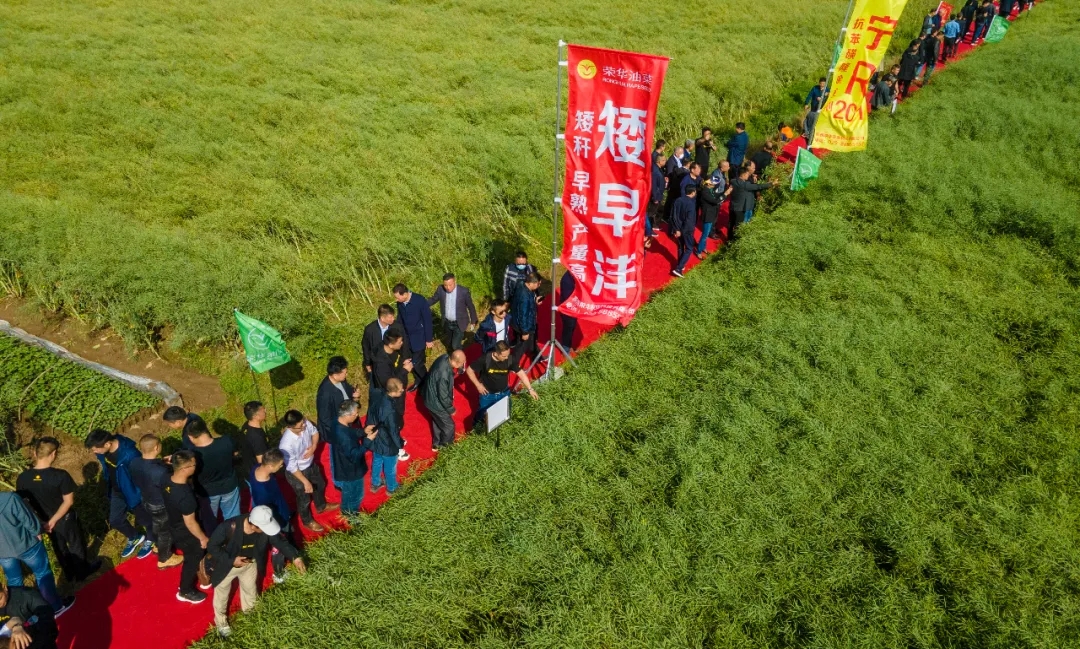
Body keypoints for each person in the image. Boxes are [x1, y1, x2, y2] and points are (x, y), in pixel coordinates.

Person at [206, 506, 305, 638]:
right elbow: (212, 546)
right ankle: (221, 623)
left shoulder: (263, 528)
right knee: (221, 597)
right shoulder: (228, 526)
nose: (266, 531)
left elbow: (279, 541)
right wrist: (231, 560)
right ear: (253, 525)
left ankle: (251, 616)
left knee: (251, 591)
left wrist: (295, 558)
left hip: (250, 564)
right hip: (227, 567)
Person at [16, 438, 101, 582]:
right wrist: (53, 520)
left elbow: (23, 503)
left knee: (58, 546)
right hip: (64, 518)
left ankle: (69, 573)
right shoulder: (60, 475)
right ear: (53, 454)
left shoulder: (23, 478)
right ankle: (82, 572)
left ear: (35, 453)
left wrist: (40, 522)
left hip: (43, 521)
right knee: (75, 543)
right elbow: (68, 501)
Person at [83, 429, 152, 560]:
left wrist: (143, 493)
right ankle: (134, 536)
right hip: (117, 490)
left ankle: (152, 539)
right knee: (115, 520)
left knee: (145, 519)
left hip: (133, 491)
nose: (94, 452)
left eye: (95, 449)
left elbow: (143, 473)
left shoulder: (130, 454)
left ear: (107, 444)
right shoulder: (103, 452)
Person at [0, 493, 71, 617]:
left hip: (3, 552)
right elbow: (27, 519)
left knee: (14, 581)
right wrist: (37, 531)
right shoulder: (10, 498)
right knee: (42, 574)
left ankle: (23, 613)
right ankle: (54, 607)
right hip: (26, 544)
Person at [248, 450, 305, 583]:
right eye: (280, 465)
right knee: (278, 544)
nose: (282, 466)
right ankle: (279, 572)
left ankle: (293, 551)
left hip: (281, 511)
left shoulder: (257, 468)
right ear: (270, 466)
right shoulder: (263, 492)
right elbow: (269, 516)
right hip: (277, 517)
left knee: (288, 534)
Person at [128, 435, 183, 569]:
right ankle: (165, 558)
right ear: (157, 447)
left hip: (146, 500)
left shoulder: (134, 463)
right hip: (160, 503)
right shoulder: (160, 471)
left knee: (157, 525)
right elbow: (169, 487)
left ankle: (158, 546)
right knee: (165, 531)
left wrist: (160, 462)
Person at [162, 450, 209, 604]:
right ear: (184, 469)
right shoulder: (185, 496)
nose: (196, 467)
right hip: (186, 532)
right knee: (193, 558)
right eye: (193, 465)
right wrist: (202, 538)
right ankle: (185, 590)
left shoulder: (166, 478)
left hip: (174, 525)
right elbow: (190, 522)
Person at [277, 410, 336, 530]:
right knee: (304, 498)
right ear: (290, 427)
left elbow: (315, 433)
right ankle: (307, 521)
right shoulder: (286, 445)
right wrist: (305, 482)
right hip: (297, 473)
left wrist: (313, 446)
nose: (304, 425)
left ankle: (321, 505)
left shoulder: (304, 422)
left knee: (320, 484)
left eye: (303, 422)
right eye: (300, 426)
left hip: (310, 464)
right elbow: (292, 467)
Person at [466, 341, 538, 423]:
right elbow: (469, 370)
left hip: (504, 393)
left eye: (508, 355)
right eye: (504, 356)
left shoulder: (510, 359)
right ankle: (477, 425)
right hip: (487, 395)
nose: (507, 358)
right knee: (482, 416)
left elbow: (521, 373)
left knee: (505, 414)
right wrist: (478, 385)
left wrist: (530, 389)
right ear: (496, 354)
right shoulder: (485, 359)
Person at [327, 400, 378, 513]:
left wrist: (363, 431)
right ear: (347, 415)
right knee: (356, 495)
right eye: (355, 414)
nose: (357, 415)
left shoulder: (337, 421)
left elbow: (350, 432)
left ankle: (346, 510)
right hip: (351, 471)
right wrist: (368, 441)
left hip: (343, 466)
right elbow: (355, 455)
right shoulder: (344, 436)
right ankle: (351, 515)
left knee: (348, 493)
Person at [186, 419, 240, 522]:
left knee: (209, 521)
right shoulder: (227, 441)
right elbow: (236, 454)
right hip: (229, 486)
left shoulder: (193, 455)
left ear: (190, 437)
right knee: (233, 518)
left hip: (207, 492)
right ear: (206, 429)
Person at [371, 330, 411, 456]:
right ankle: (396, 449)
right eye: (399, 342)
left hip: (397, 395)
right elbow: (389, 384)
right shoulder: (381, 364)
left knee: (398, 420)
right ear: (391, 344)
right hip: (391, 398)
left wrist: (402, 365)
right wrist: (404, 371)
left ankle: (397, 439)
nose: (402, 343)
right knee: (392, 424)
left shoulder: (392, 352)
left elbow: (394, 369)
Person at [366, 378, 407, 494]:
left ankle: (375, 483)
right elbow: (393, 431)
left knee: (377, 461)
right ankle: (392, 488)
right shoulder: (390, 410)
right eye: (400, 389)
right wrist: (400, 443)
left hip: (376, 436)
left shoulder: (378, 396)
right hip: (387, 442)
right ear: (394, 391)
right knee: (390, 466)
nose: (403, 390)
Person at [421, 350, 467, 451]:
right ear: (456, 362)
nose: (463, 365)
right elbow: (443, 396)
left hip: (430, 398)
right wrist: (451, 409)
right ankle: (446, 447)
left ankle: (436, 443)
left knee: (437, 421)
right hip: (436, 403)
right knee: (449, 426)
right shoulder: (444, 374)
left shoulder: (444, 357)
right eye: (462, 363)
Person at [393, 283, 433, 385]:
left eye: (397, 297)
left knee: (417, 363)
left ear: (404, 294)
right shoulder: (400, 303)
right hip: (407, 338)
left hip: (419, 337)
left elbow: (427, 320)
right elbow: (400, 319)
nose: (396, 300)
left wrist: (429, 339)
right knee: (411, 361)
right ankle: (418, 380)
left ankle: (427, 382)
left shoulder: (419, 300)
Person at [428, 273, 478, 352]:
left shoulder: (463, 291)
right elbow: (433, 299)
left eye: (450, 285)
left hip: (459, 322)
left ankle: (460, 357)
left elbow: (470, 306)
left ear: (455, 281)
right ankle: (453, 354)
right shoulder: (441, 289)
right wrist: (421, 305)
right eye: (445, 285)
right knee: (449, 342)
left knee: (455, 345)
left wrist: (473, 320)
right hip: (447, 322)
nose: (448, 287)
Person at [0, 582, 58, 649]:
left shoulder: (26, 595)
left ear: (5, 588)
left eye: (0, 598)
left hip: (38, 640)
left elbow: (47, 614)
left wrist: (18, 627)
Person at [315, 355, 359, 442]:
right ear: (335, 375)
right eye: (345, 373)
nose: (346, 375)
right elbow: (325, 418)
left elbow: (347, 391)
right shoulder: (325, 393)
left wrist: (354, 394)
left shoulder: (341, 380)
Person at [729, 166, 779, 234]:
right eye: (747, 174)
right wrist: (772, 183)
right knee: (739, 226)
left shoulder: (733, 181)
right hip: (740, 209)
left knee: (731, 223)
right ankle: (736, 238)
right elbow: (758, 186)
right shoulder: (745, 184)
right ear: (743, 174)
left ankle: (729, 238)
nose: (748, 175)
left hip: (733, 206)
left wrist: (755, 182)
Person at [361, 305, 403, 380]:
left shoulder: (397, 326)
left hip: (394, 361)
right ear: (382, 318)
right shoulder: (370, 330)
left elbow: (404, 343)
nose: (393, 319)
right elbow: (366, 347)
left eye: (393, 316)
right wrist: (367, 363)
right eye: (390, 317)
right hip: (378, 362)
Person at [510, 273, 541, 361]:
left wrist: (534, 300)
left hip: (517, 321)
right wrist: (525, 332)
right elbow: (523, 315)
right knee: (522, 346)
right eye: (538, 284)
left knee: (532, 340)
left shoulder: (521, 284)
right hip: (524, 325)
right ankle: (513, 363)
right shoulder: (525, 297)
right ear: (531, 283)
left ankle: (537, 356)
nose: (539, 286)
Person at [670, 184, 697, 278]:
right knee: (689, 248)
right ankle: (679, 268)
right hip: (686, 230)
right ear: (693, 192)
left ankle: (680, 264)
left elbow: (673, 215)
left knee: (680, 247)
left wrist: (676, 229)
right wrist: (683, 231)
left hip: (678, 228)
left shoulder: (678, 200)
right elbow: (689, 220)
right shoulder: (691, 204)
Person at [237, 400, 268, 482]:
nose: (265, 411)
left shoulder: (246, 425)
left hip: (248, 467)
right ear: (256, 416)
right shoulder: (257, 437)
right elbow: (261, 461)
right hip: (257, 475)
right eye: (263, 410)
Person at [695, 178, 722, 258]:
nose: (714, 185)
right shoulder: (705, 192)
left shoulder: (709, 190)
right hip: (707, 216)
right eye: (713, 184)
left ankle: (703, 248)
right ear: (708, 184)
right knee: (705, 234)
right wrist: (725, 194)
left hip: (710, 215)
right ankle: (698, 251)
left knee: (706, 234)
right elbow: (714, 201)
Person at [803, 78, 828, 147]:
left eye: (824, 84)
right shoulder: (815, 88)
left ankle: (812, 136)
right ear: (819, 83)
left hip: (820, 110)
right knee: (808, 120)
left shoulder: (827, 90)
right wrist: (806, 103)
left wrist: (826, 95)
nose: (822, 85)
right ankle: (808, 133)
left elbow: (830, 98)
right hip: (813, 108)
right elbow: (809, 95)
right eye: (821, 83)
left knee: (815, 123)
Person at [647, 152, 666, 240]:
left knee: (654, 213)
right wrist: (655, 198)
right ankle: (649, 230)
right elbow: (654, 186)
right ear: (659, 161)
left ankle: (652, 227)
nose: (665, 162)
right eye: (663, 160)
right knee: (651, 214)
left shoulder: (658, 169)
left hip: (658, 195)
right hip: (655, 196)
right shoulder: (655, 171)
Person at [557, 270, 578, 352]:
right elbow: (568, 298)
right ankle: (565, 349)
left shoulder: (572, 277)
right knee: (569, 327)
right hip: (568, 308)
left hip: (573, 307)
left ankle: (568, 345)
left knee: (571, 327)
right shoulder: (567, 281)